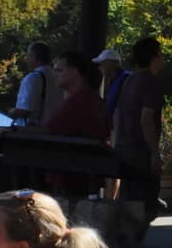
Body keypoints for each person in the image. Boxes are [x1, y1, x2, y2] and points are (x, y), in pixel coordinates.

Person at [7, 50, 110, 196]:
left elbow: (49, 130)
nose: (55, 74)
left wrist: (12, 130)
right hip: (82, 174)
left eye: (59, 70)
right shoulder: (90, 99)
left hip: (72, 176)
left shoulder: (79, 101)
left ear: (75, 71)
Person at [113, 36, 166, 219]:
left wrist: (116, 143)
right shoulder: (152, 83)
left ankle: (127, 240)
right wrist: (154, 153)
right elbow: (146, 119)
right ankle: (135, 239)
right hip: (141, 151)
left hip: (123, 147)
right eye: (161, 54)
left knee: (128, 198)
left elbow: (118, 113)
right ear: (155, 57)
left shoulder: (128, 80)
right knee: (146, 202)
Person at [10, 41, 63, 128]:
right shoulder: (57, 76)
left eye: (28, 55)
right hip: (54, 131)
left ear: (35, 57)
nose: (26, 59)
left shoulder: (32, 78)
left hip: (34, 134)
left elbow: (25, 111)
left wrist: (11, 111)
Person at [93, 48, 130, 127]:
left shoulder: (127, 78)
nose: (99, 68)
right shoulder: (112, 81)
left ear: (112, 63)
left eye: (102, 63)